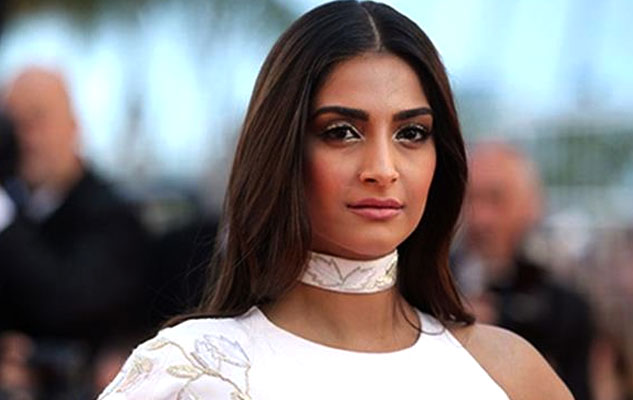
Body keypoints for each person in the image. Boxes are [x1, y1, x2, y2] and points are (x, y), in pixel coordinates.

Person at [99, 2, 573, 399]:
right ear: (282, 150)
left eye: (411, 133)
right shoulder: (189, 372)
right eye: (342, 132)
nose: (383, 168)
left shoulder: (507, 374)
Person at [0, 67, 152, 396]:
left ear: (74, 126)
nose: (25, 138)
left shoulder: (111, 216)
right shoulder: (16, 209)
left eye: (38, 118)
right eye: (14, 124)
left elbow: (69, 302)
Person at [452, 142, 594, 400]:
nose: (481, 218)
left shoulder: (564, 309)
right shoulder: (423, 287)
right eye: (470, 199)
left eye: (496, 199)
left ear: (531, 205)